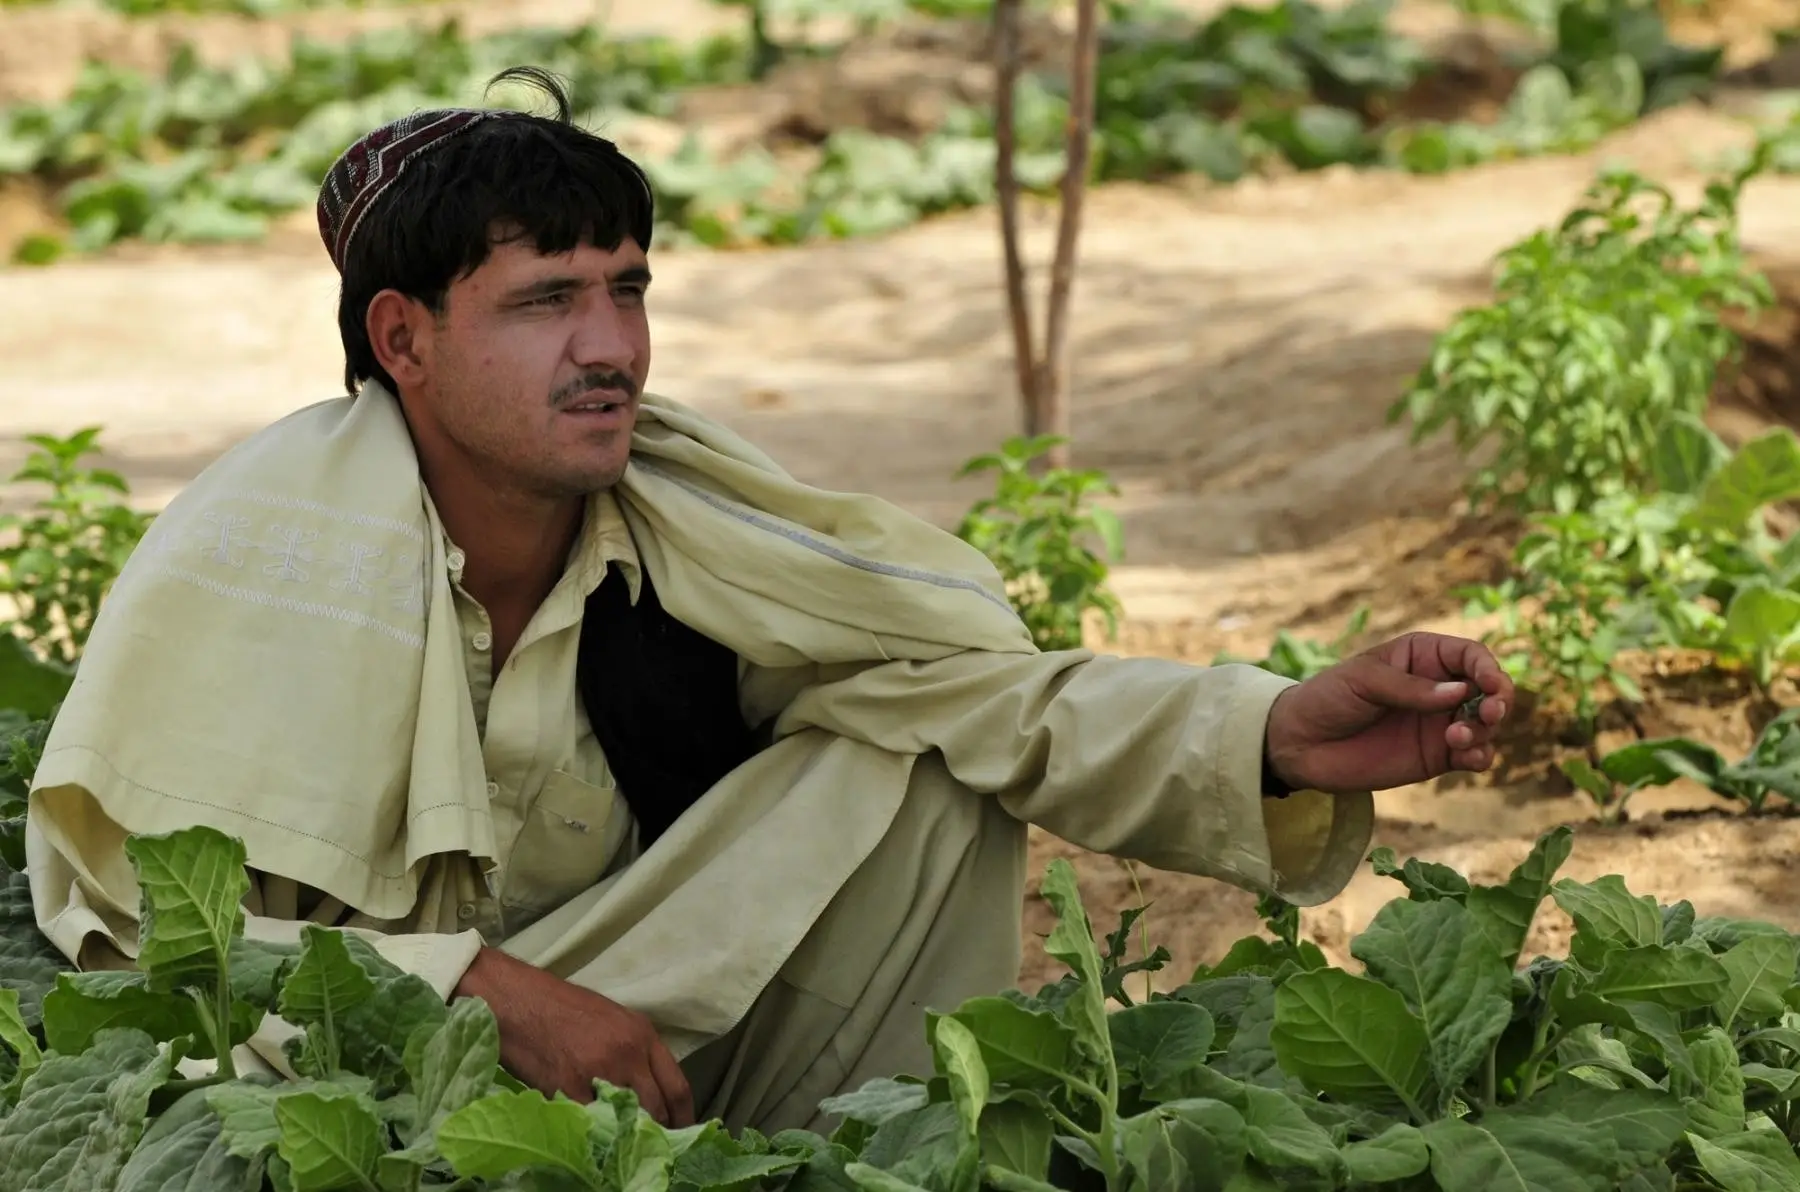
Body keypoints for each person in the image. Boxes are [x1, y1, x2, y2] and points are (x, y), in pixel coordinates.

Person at [24, 66, 1514, 1135]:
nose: (610, 346)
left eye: (630, 288)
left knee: (921, 762)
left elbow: (976, 698)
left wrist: (1280, 735)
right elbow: (151, 946)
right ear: (401, 338)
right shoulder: (256, 557)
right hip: (330, 1097)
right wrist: (478, 991)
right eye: (547, 301)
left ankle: (857, 1149)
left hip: (630, 1067)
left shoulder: (687, 523)